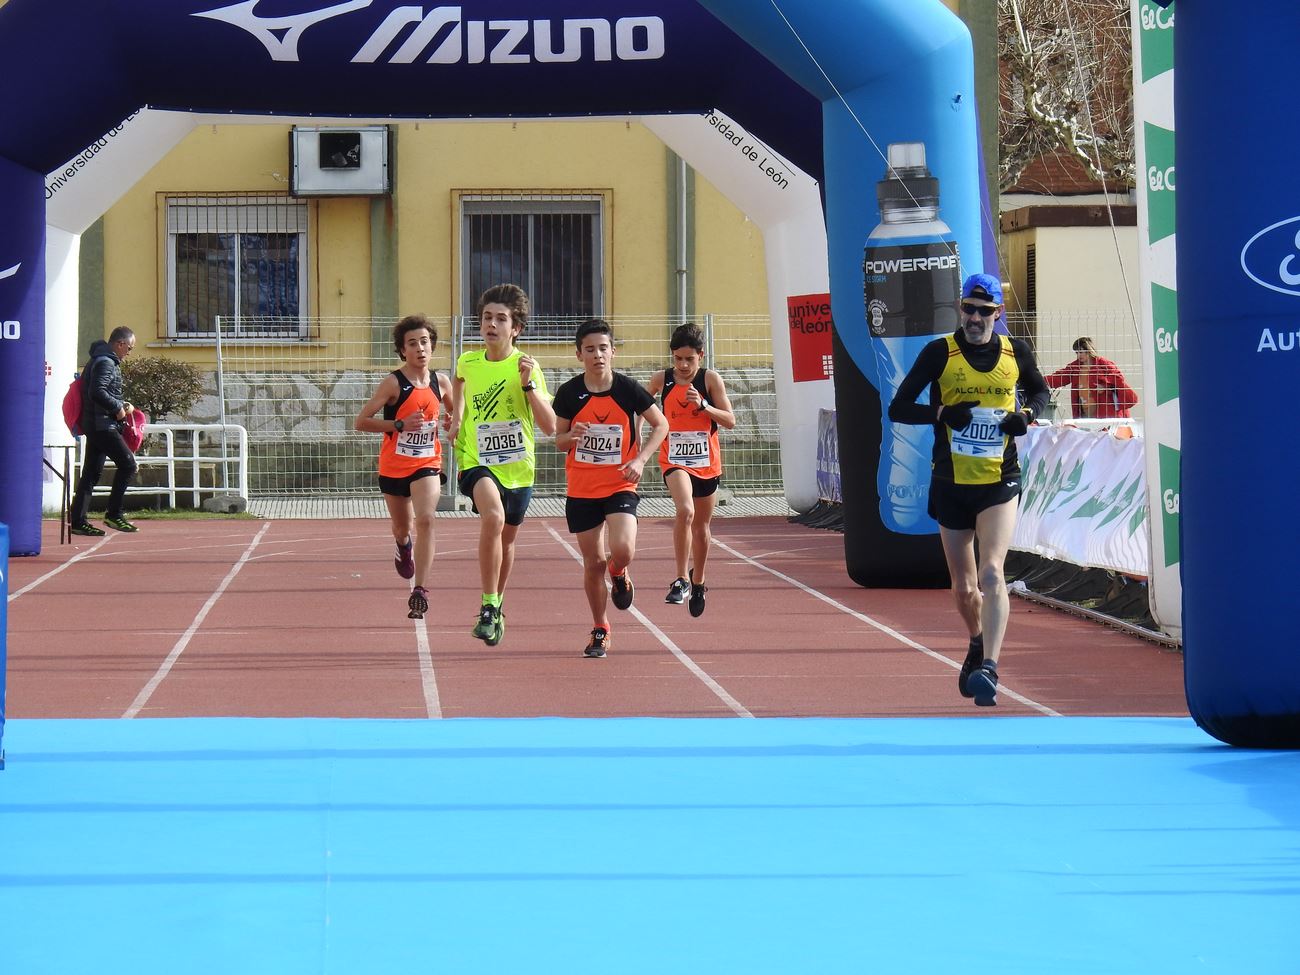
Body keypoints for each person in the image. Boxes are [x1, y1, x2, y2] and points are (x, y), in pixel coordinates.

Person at [887, 273, 1049, 707]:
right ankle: (977, 641)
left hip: (999, 479)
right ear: (960, 309)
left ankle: (991, 669)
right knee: (964, 588)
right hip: (951, 481)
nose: (975, 318)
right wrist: (942, 413)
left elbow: (1040, 390)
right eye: (968, 309)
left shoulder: (1016, 352)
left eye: (984, 311)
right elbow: (899, 407)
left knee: (993, 572)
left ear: (998, 314)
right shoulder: (940, 352)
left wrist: (1027, 416)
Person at [446, 284, 556, 647]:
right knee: (491, 517)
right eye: (487, 318)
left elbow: (550, 425)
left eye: (501, 319)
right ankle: (488, 604)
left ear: (516, 328)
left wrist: (527, 386)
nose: (491, 324)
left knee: (508, 540)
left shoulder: (527, 367)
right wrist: (457, 419)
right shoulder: (468, 362)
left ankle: (498, 603)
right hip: (477, 459)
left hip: (519, 467)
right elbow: (459, 387)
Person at [552, 318, 669, 658]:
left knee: (623, 550)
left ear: (613, 352)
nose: (597, 355)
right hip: (583, 488)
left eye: (603, 348)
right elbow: (558, 439)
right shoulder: (569, 392)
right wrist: (570, 436)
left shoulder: (628, 389)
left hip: (620, 483)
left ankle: (620, 572)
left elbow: (661, 425)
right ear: (579, 355)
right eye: (590, 350)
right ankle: (600, 627)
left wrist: (642, 460)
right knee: (592, 563)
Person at [354, 314, 454, 620]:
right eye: (413, 343)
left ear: (432, 347)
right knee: (402, 526)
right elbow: (361, 422)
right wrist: (398, 423)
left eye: (425, 342)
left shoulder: (441, 381)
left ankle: (420, 590)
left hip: (427, 462)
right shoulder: (393, 383)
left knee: (425, 519)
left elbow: (453, 410)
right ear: (402, 350)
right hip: (394, 466)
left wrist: (452, 420)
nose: (420, 348)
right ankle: (403, 544)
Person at [645, 323, 736, 617]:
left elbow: (730, 421)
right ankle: (681, 578)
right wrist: (636, 440)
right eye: (678, 359)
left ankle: (699, 581)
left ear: (701, 356)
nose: (683, 366)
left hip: (706, 464)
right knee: (685, 512)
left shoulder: (710, 380)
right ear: (672, 357)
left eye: (689, 359)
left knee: (702, 528)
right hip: (674, 459)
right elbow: (639, 406)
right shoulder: (662, 380)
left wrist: (705, 407)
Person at [69, 326, 140, 536]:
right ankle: (114, 514)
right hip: (102, 425)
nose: (129, 353)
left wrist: (121, 404)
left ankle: (78, 521)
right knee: (128, 465)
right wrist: (118, 408)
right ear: (120, 344)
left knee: (91, 473)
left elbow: (102, 390)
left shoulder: (101, 359)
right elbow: (97, 391)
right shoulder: (106, 362)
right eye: (130, 348)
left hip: (96, 424)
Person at [1044, 336, 1138, 420]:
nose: (1078, 355)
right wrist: (1036, 381)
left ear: (1089, 350)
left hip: (1107, 414)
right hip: (1085, 414)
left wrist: (1106, 387)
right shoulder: (1075, 366)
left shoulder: (1104, 364)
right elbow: (1059, 377)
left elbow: (1119, 381)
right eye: (1077, 352)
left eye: (1081, 352)